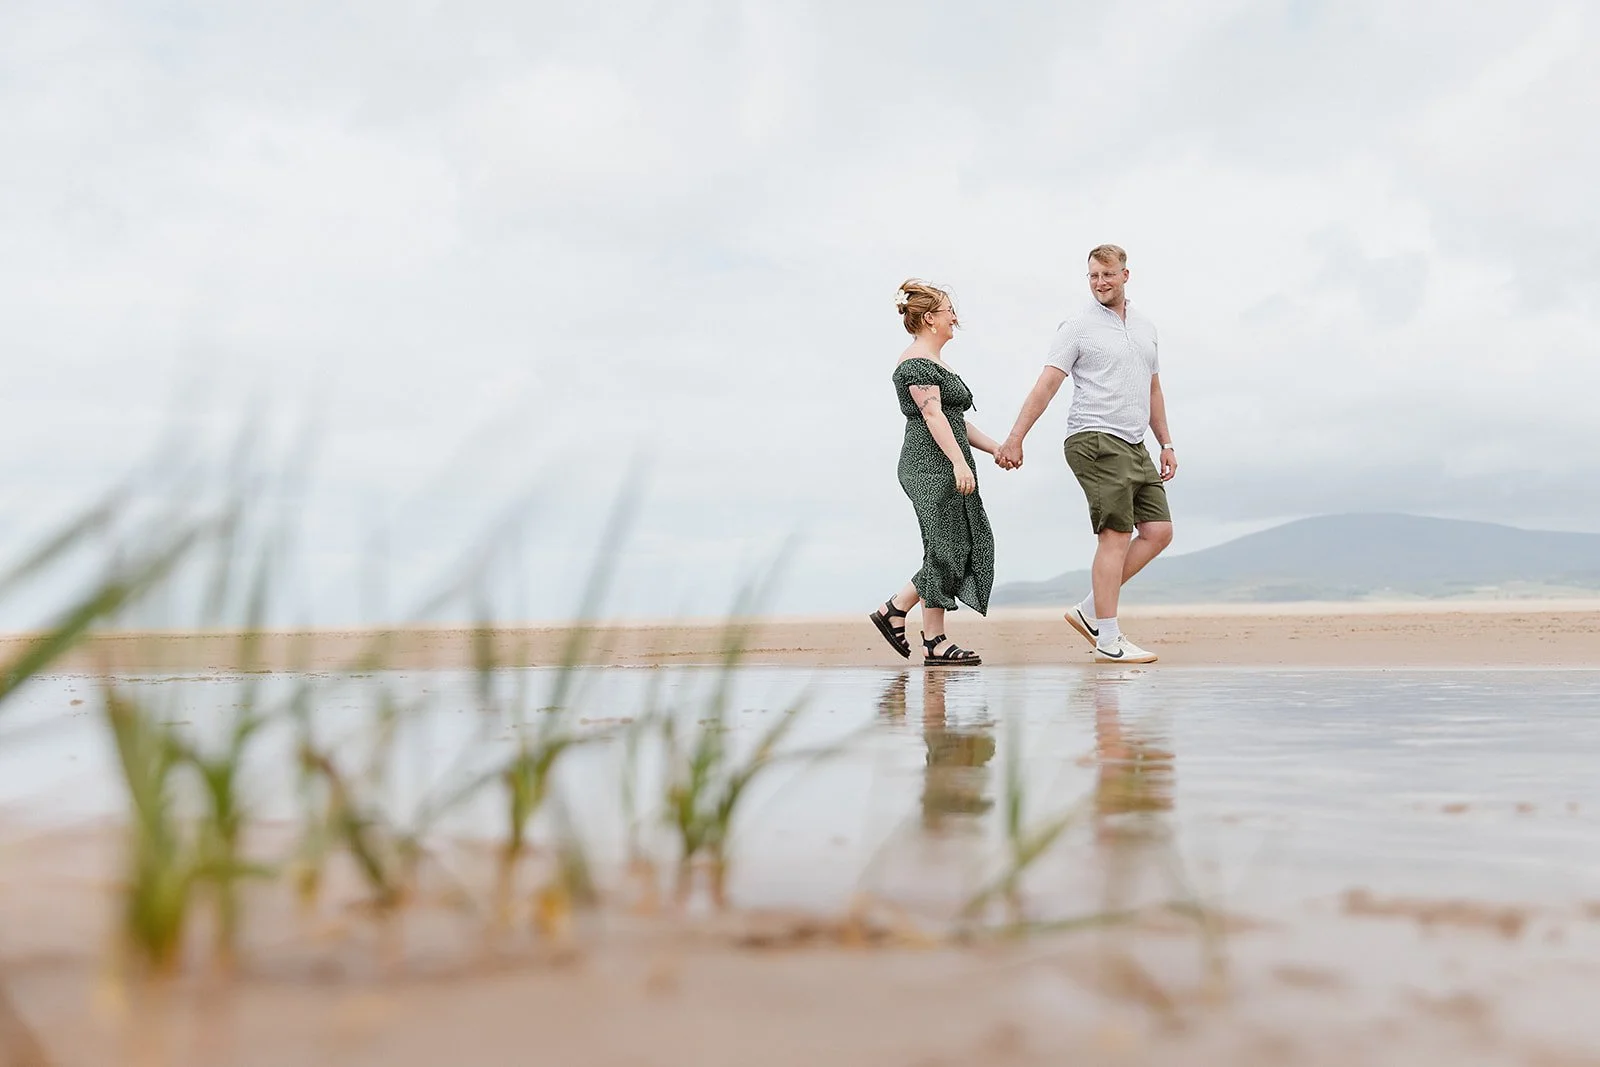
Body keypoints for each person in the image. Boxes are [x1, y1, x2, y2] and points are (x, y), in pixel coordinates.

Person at [995, 245, 1176, 664]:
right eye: (1093, 275)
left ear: (1125, 275)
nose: (1100, 282)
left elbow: (1153, 390)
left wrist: (1165, 442)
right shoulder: (1077, 326)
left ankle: (1091, 610)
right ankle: (1108, 639)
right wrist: (1015, 437)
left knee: (1158, 531)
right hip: (1094, 438)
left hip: (1135, 442)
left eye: (1108, 274)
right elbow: (1047, 384)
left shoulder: (1147, 326)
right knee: (1114, 535)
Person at [868, 278, 1000, 667]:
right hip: (928, 465)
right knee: (944, 548)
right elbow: (931, 414)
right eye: (948, 311)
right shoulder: (915, 364)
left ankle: (897, 611)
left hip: (948, 461)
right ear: (929, 318)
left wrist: (995, 448)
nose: (955, 318)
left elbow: (955, 421)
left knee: (954, 547)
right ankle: (931, 638)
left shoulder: (935, 363)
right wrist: (958, 462)